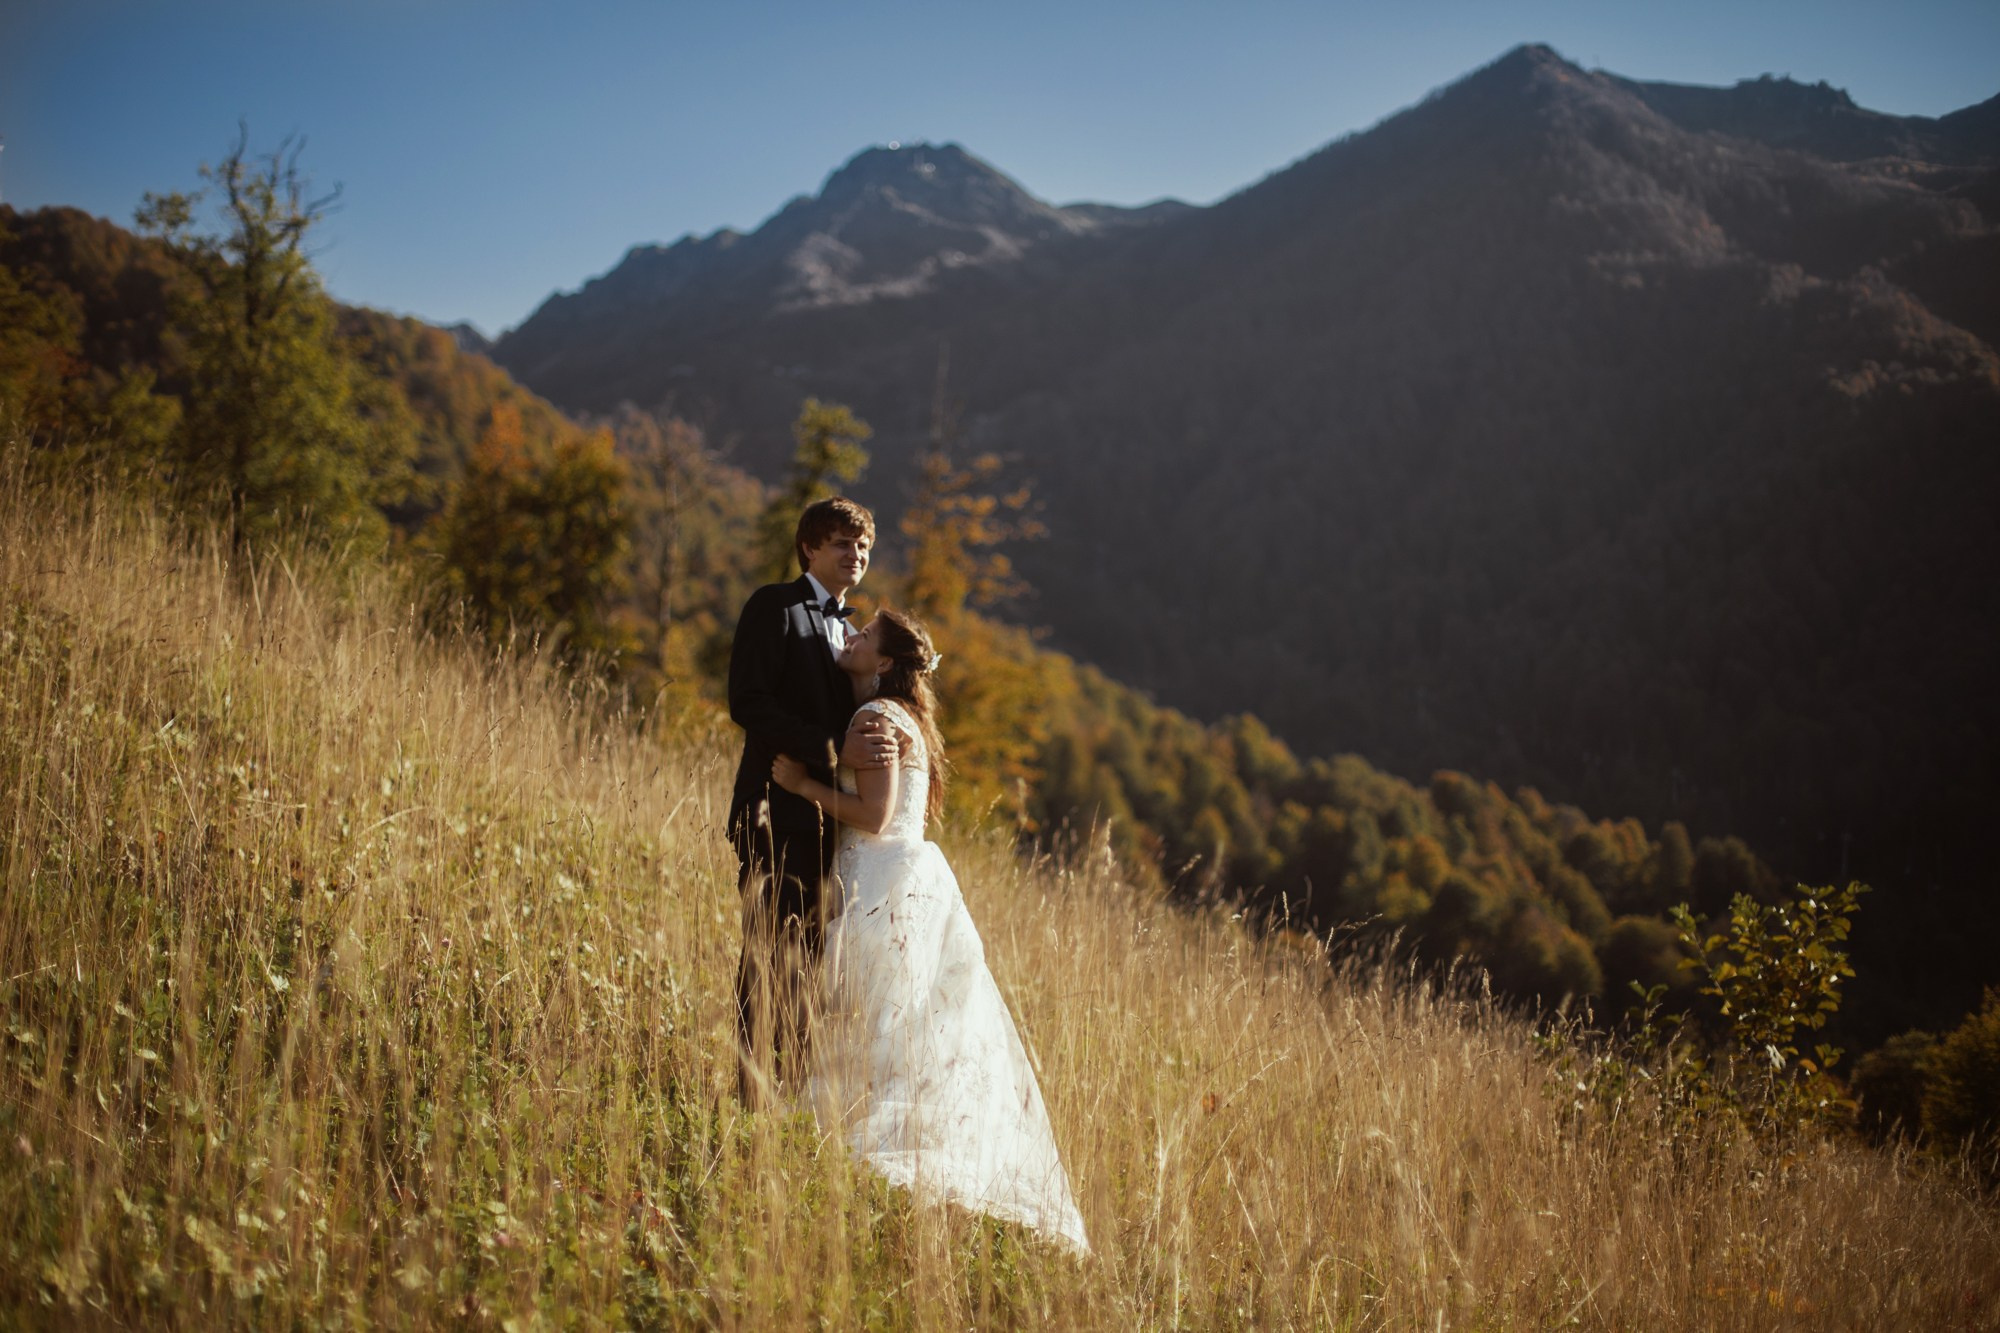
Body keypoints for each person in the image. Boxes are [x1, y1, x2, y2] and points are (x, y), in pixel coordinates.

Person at [771, 608, 1090, 1254]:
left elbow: (876, 811)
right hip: (908, 884)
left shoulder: (877, 719)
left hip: (881, 884)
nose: (851, 636)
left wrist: (803, 782)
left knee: (865, 1021)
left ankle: (852, 1155)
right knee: (898, 1030)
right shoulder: (900, 718)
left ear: (884, 663)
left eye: (865, 637)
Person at [727, 496, 899, 1109]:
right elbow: (747, 701)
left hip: (832, 826)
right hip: (775, 807)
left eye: (863, 547)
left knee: (810, 969)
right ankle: (750, 1100)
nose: (855, 555)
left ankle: (792, 1099)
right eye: (841, 544)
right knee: (767, 957)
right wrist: (829, 749)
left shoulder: (852, 632)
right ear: (809, 549)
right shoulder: (774, 606)